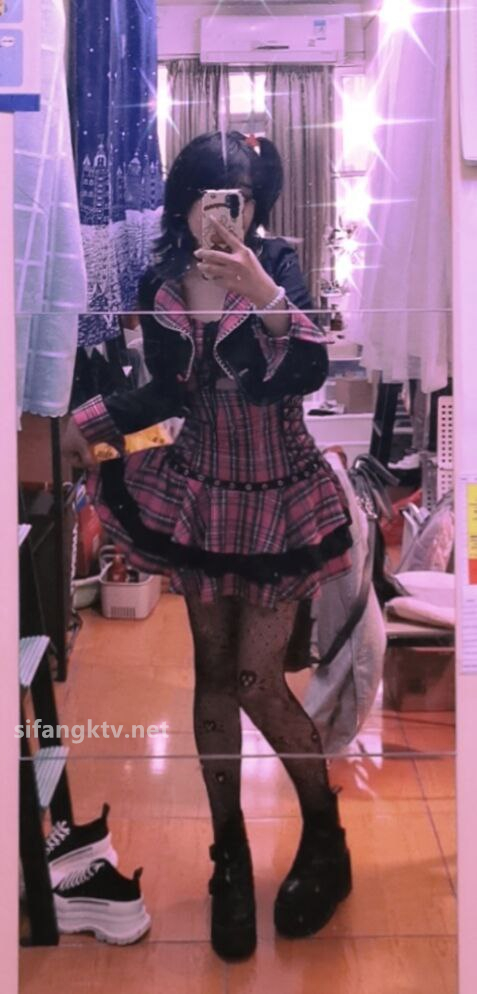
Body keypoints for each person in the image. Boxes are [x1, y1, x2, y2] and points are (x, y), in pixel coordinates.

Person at [63, 131, 354, 962]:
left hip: (280, 494)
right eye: (211, 198)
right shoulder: (160, 280)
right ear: (184, 203)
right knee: (213, 680)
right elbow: (163, 390)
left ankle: (324, 839)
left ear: (257, 205)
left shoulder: (279, 265)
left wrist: (264, 293)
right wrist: (82, 423)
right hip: (200, 489)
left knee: (259, 681)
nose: (229, 214)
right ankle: (228, 856)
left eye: (243, 199)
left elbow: (304, 373)